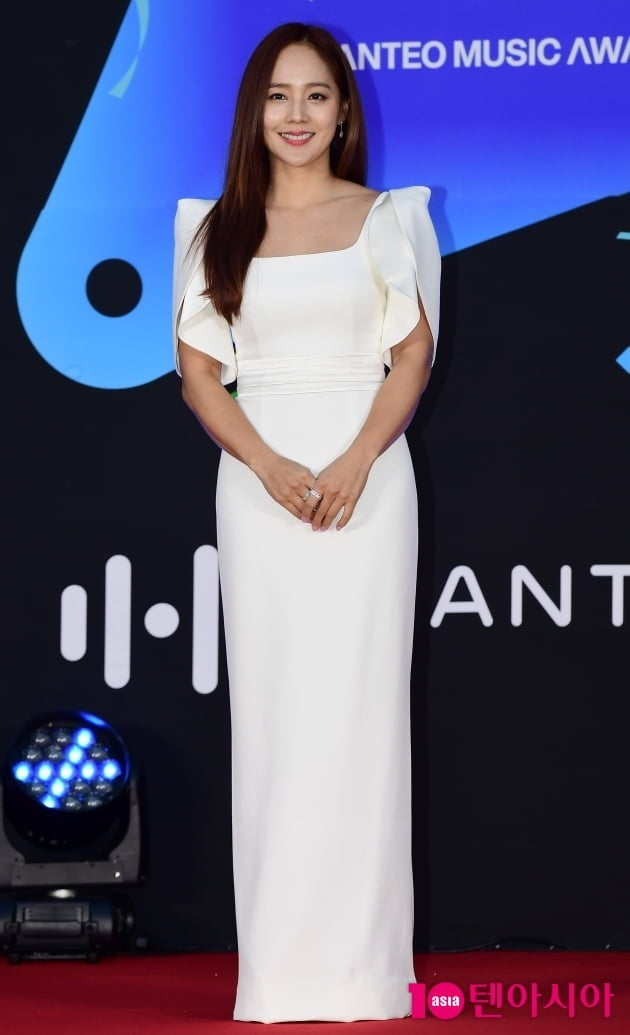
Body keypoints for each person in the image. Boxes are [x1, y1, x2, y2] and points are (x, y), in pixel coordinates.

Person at [172, 21, 440, 1024]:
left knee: (362, 717)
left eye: (316, 95)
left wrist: (358, 458)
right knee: (276, 720)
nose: (297, 115)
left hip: (370, 481)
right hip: (259, 487)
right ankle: (279, 976)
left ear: (343, 111)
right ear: (255, 110)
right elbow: (200, 374)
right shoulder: (213, 228)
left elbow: (410, 356)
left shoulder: (389, 218)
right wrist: (271, 464)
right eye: (279, 96)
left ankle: (366, 973)